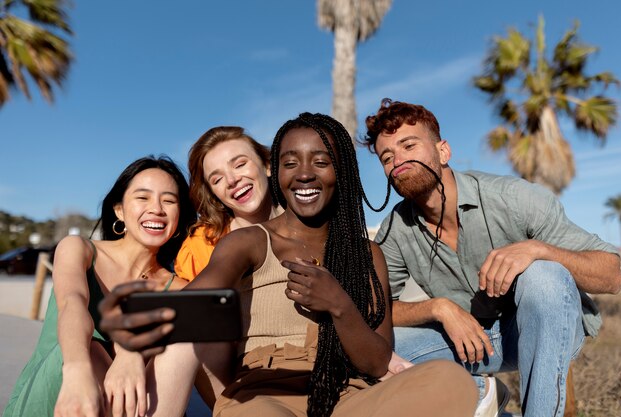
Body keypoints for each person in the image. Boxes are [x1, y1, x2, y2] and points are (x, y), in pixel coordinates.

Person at [99, 112, 478, 417]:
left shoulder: (367, 254)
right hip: (264, 394)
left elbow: (379, 362)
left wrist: (339, 305)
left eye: (321, 161)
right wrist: (133, 345)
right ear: (277, 172)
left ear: (341, 171)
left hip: (348, 396)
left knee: (450, 381)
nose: (304, 173)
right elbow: (200, 295)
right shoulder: (248, 241)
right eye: (290, 162)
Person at [362, 99, 621, 417]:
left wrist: (537, 249)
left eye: (408, 145)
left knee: (542, 275)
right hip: (472, 340)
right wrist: (438, 308)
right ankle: (480, 397)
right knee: (370, 349)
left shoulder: (514, 198)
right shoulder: (395, 229)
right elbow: (376, 311)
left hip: (545, 325)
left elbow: (612, 274)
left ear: (443, 151)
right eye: (387, 157)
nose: (398, 160)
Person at [2, 156, 196, 417]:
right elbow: (73, 303)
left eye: (169, 201)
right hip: (62, 387)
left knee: (185, 339)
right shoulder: (79, 249)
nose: (157, 209)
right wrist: (77, 370)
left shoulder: (178, 288)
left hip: (132, 407)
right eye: (143, 197)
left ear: (179, 215)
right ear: (119, 210)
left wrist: (131, 354)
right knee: (91, 348)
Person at [174, 126, 281, 281]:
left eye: (240, 165)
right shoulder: (201, 247)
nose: (231, 180)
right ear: (213, 194)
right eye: (217, 179)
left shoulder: (312, 221)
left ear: (267, 165)